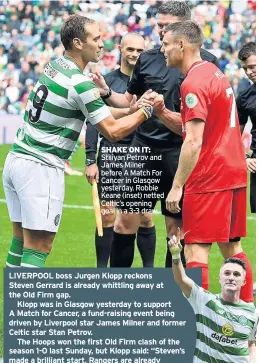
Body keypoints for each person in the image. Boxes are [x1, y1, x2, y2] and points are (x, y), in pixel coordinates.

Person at [3, 14, 154, 268]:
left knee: (20, 242)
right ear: (78, 43)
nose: (102, 44)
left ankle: (13, 305)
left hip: (17, 159)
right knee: (40, 246)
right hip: (41, 167)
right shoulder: (80, 83)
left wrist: (130, 110)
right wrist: (145, 111)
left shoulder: (57, 66)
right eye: (96, 38)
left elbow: (98, 113)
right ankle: (27, 306)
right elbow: (113, 131)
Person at [92, 0, 219, 269]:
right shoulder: (148, 58)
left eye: (166, 25)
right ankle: (118, 293)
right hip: (144, 150)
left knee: (176, 229)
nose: (160, 30)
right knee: (125, 220)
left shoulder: (206, 62)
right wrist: (105, 92)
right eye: (158, 24)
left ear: (185, 26)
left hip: (181, 153)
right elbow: (128, 102)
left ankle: (170, 296)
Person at [161, 21, 253, 302]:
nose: (162, 49)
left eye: (166, 44)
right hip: (233, 172)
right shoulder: (214, 72)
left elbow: (193, 140)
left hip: (209, 176)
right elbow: (198, 126)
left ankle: (198, 328)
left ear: (181, 45)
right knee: (232, 248)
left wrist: (177, 187)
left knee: (195, 251)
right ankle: (246, 320)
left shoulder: (193, 83)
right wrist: (162, 112)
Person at [85, 33, 156, 268]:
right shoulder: (106, 81)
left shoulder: (150, 82)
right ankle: (101, 272)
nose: (135, 54)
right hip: (112, 154)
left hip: (140, 156)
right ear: (120, 49)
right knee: (107, 215)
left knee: (145, 217)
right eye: (130, 49)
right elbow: (94, 121)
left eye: (139, 50)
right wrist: (90, 160)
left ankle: (149, 273)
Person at [168, 229, 258, 363]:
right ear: (219, 279)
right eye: (227, 273)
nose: (231, 278)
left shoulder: (251, 314)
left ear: (244, 281)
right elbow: (181, 279)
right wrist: (176, 255)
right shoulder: (205, 300)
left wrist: (254, 361)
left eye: (236, 275)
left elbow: (250, 343)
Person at [237, 42, 256, 214]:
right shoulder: (245, 97)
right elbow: (235, 133)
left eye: (253, 66)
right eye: (245, 69)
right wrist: (244, 157)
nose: (249, 72)